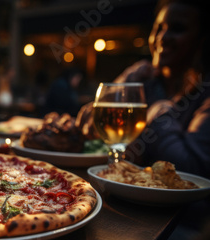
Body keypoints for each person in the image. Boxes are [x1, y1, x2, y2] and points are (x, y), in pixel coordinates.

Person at [76, 0, 210, 177]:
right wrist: (120, 85)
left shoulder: (204, 93)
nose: (162, 37)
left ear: (202, 39)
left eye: (177, 28)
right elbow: (90, 142)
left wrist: (158, 113)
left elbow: (194, 169)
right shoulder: (142, 82)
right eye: (158, 28)